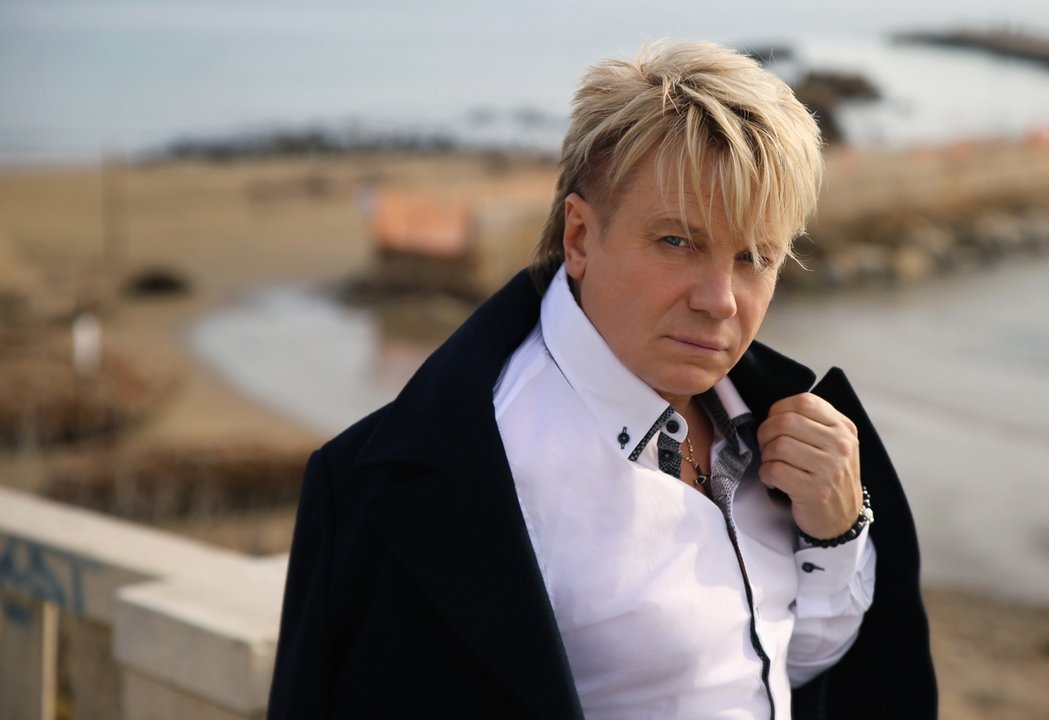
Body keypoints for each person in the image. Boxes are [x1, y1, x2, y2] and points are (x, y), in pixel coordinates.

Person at [268, 40, 936, 719]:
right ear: (580, 237)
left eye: (754, 257)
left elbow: (787, 666)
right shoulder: (424, 484)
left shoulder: (785, 422)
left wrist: (836, 537)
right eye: (678, 242)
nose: (720, 301)